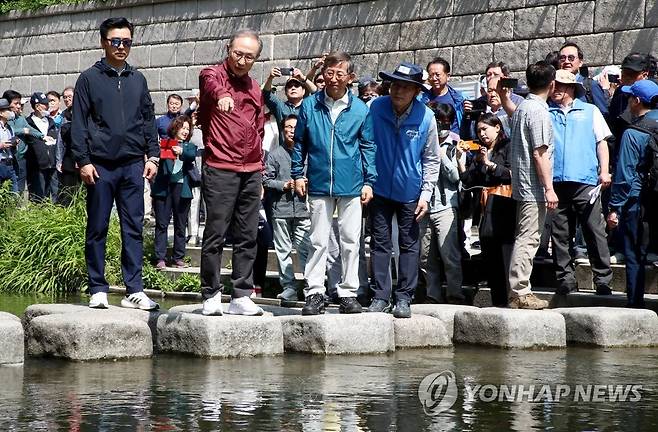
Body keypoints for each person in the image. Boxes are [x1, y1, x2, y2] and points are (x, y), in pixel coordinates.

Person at [71, 17, 160, 310]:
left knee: (133, 227)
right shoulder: (88, 78)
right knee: (97, 227)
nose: (122, 47)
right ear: (103, 43)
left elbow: (148, 120)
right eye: (116, 41)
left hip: (133, 164)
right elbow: (79, 123)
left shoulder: (138, 79)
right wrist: (83, 160)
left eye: (127, 42)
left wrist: (153, 155)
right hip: (100, 165)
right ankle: (97, 287)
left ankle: (134, 288)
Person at [291, 51, 376, 315]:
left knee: (352, 240)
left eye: (340, 74)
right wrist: (297, 174)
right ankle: (315, 292)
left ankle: (349, 292)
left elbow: (368, 146)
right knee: (318, 240)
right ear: (322, 75)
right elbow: (300, 143)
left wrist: (369, 181)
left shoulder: (360, 109)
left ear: (350, 78)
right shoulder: (309, 105)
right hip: (317, 181)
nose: (334, 79)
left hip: (351, 182)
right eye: (329, 73)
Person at [198, 29, 266, 316]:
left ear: (256, 59)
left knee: (248, 233)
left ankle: (241, 293)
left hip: (251, 168)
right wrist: (223, 95)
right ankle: (211, 293)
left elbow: (260, 127)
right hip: (220, 166)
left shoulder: (254, 88)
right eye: (238, 53)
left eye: (249, 57)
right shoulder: (212, 75)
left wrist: (259, 166)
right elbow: (210, 83)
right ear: (228, 49)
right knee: (216, 232)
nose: (241, 60)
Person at [366, 63, 440, 318]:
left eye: (406, 87)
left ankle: (404, 298)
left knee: (409, 245)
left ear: (416, 91)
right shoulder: (375, 107)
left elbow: (431, 158)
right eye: (396, 85)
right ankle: (379, 296)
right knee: (379, 243)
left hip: (411, 191)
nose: (398, 91)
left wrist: (426, 194)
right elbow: (364, 143)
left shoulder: (426, 117)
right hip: (378, 188)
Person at [548, 69, 613, 296]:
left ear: (571, 89)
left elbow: (601, 142)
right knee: (560, 234)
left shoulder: (590, 110)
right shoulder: (547, 112)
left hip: (585, 180)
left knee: (594, 231)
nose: (555, 89)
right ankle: (565, 278)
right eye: (553, 85)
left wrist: (604, 171)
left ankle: (603, 279)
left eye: (560, 86)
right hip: (556, 182)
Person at [506, 61, 557, 310]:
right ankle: (520, 291)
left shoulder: (523, 107)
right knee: (529, 238)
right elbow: (540, 153)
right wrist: (549, 188)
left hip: (523, 184)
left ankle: (518, 291)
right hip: (533, 187)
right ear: (552, 84)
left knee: (525, 236)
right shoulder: (538, 111)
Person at [607, 80, 658, 308]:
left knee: (634, 253)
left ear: (636, 101)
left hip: (637, 202)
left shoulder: (633, 133)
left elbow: (624, 176)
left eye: (629, 98)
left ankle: (635, 304)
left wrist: (614, 208)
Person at [462, 113, 515, 307]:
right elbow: (468, 180)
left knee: (506, 253)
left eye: (485, 129)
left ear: (497, 128)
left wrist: (490, 165)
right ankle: (497, 299)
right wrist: (463, 160)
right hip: (485, 207)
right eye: (478, 130)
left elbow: (511, 174)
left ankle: (511, 298)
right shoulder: (480, 152)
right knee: (489, 252)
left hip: (504, 202)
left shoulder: (507, 146)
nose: (482, 134)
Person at [420, 103, 466, 304]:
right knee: (425, 255)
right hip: (424, 205)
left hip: (446, 205)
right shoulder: (421, 140)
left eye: (446, 122)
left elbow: (456, 176)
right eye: (439, 122)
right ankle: (432, 294)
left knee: (450, 254)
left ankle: (455, 294)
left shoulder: (456, 144)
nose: (442, 126)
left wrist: (439, 154)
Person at [263, 114, 311, 301]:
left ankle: (310, 286)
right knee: (282, 251)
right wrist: (283, 185)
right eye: (288, 127)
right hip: (280, 209)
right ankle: (289, 287)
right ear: (283, 130)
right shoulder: (274, 155)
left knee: (305, 248)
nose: (292, 131)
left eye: (295, 127)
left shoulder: (307, 153)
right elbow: (266, 180)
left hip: (302, 209)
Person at [151, 116, 197, 269]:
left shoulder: (189, 146)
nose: (185, 131)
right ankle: (160, 258)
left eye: (187, 129)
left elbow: (190, 155)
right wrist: (162, 149)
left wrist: (181, 150)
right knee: (162, 224)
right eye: (182, 128)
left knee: (180, 224)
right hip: (164, 188)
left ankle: (178, 257)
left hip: (181, 188)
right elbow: (157, 156)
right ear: (175, 128)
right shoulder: (164, 143)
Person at [3, 90, 43, 195]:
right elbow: (9, 132)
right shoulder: (5, 119)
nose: (19, 106)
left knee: (19, 188)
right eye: (16, 103)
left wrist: (42, 136)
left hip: (21, 158)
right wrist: (22, 131)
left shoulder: (21, 118)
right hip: (8, 158)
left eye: (19, 103)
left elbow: (29, 129)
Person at [557, 42, 609, 117]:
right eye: (562, 58)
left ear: (580, 62)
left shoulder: (591, 86)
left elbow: (603, 114)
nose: (566, 61)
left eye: (571, 58)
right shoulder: (553, 85)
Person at [25, 92, 58, 202]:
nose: (48, 107)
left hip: (52, 165)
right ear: (37, 106)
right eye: (45, 105)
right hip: (36, 166)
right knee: (38, 197)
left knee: (54, 195)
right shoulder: (27, 123)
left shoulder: (51, 122)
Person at [421, 57, 465, 133]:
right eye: (431, 75)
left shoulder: (460, 98)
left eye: (437, 75)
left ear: (448, 76)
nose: (434, 78)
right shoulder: (421, 100)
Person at [0, 98, 18, 192]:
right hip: (0, 163)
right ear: (1, 113)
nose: (11, 112)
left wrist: (14, 143)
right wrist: (1, 145)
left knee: (14, 193)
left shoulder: (10, 127)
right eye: (8, 110)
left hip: (10, 164)